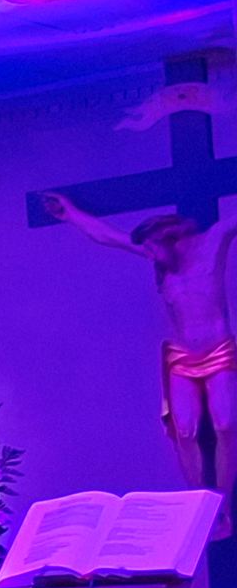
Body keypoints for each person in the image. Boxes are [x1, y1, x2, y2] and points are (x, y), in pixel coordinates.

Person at [41, 191, 236, 538]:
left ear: (172, 240)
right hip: (181, 355)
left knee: (225, 422)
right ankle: (199, 502)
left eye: (155, 249)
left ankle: (221, 502)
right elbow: (108, 236)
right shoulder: (155, 254)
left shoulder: (213, 243)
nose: (152, 258)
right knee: (185, 430)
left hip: (219, 350)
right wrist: (70, 214)